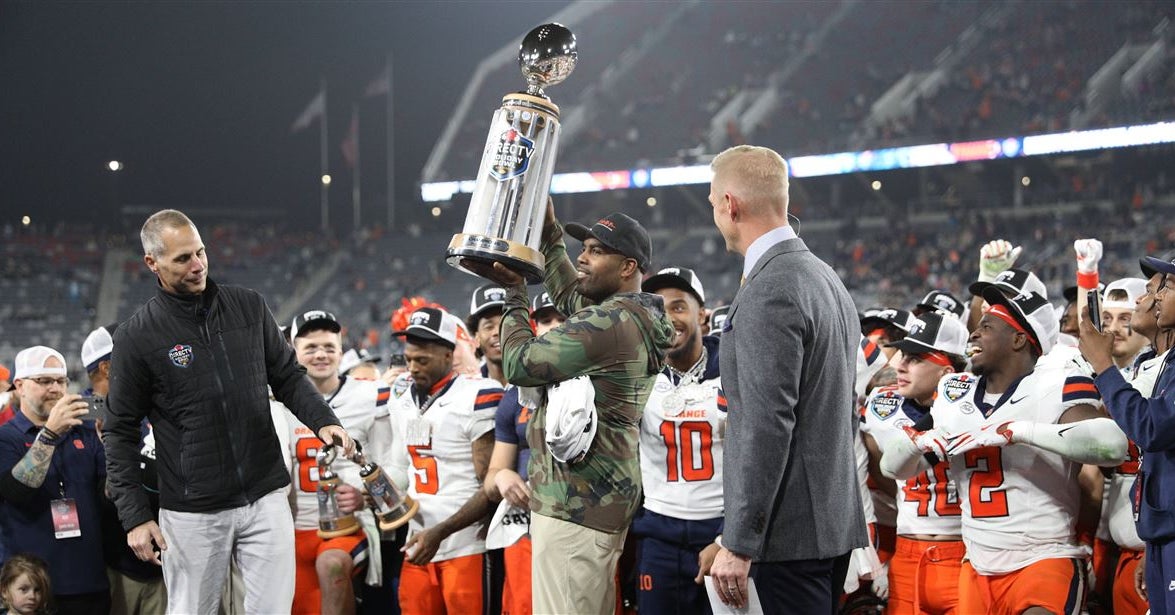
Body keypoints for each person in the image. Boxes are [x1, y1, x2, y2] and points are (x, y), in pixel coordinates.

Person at [105, 209, 353, 614]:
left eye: (200, 252)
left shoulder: (249, 306)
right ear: (152, 262)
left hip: (266, 493)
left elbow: (288, 376)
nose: (198, 265)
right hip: (192, 510)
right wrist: (135, 516)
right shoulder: (137, 336)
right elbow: (119, 431)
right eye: (183, 258)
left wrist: (324, 421)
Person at [469, 203, 673, 615]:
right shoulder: (630, 316)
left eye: (597, 251)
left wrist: (515, 293)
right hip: (597, 499)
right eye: (584, 247)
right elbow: (569, 294)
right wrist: (549, 232)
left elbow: (518, 364)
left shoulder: (609, 323)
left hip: (575, 503)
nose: (583, 257)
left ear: (628, 267)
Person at [889, 289, 1128, 614]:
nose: (974, 333)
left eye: (987, 326)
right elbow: (894, 467)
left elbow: (1113, 444)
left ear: (1019, 339)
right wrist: (917, 442)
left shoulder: (1055, 384)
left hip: (1043, 560)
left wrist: (1019, 432)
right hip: (976, 566)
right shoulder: (955, 394)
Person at [704, 145, 866, 613]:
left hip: (786, 535)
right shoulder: (824, 276)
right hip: (829, 521)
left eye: (713, 201)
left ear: (730, 204)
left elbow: (767, 424)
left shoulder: (770, 288)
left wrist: (739, 541)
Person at [388, 307, 502, 615]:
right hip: (417, 543)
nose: (413, 368)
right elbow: (402, 465)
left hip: (465, 544)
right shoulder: (401, 397)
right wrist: (380, 489)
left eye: (422, 361)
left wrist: (442, 531)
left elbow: (490, 486)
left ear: (448, 356)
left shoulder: (479, 396)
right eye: (409, 359)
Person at [1080, 254, 1175, 615]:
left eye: (1166, 287)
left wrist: (1103, 367)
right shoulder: (1164, 364)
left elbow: (1151, 428)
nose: (1153, 297)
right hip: (1157, 536)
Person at [285, 310, 394, 615]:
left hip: (350, 526)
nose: (321, 354)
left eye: (329, 347)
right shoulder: (276, 403)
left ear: (341, 351)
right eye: (311, 347)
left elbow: (392, 464)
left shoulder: (371, 395)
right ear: (293, 352)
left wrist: (367, 495)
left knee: (332, 566)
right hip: (292, 529)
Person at [633, 267, 726, 614]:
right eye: (658, 310)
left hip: (721, 531)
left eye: (678, 307)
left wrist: (729, 538)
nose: (668, 318)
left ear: (702, 316)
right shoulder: (637, 375)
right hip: (659, 536)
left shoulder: (735, 369)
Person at [867, 312, 969, 615]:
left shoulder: (977, 406)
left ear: (946, 370)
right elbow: (879, 470)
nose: (900, 365)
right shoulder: (881, 405)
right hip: (906, 552)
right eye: (903, 355)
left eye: (915, 359)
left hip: (967, 551)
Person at [0, 346, 109, 615]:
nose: (55, 389)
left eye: (61, 381)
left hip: (88, 582)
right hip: (31, 590)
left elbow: (110, 495)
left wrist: (112, 445)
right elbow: (16, 491)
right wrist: (49, 435)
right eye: (44, 381)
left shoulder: (85, 431)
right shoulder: (6, 437)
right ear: (20, 386)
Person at [482, 292, 566, 615]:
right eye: (546, 320)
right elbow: (491, 480)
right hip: (526, 530)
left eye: (563, 318)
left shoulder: (604, 385)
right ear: (535, 327)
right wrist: (503, 477)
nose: (554, 326)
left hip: (581, 527)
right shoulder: (515, 396)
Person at [82, 323, 167, 615]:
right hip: (116, 563)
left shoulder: (146, 408)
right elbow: (101, 498)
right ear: (106, 367)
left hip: (162, 559)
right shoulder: (79, 421)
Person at [468, 284, 508, 387]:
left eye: (505, 324)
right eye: (489, 327)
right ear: (477, 338)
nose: (497, 332)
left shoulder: (540, 381)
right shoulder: (470, 390)